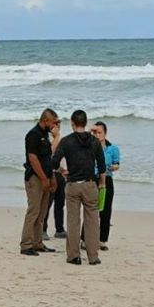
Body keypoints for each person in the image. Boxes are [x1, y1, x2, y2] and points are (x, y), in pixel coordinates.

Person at [52, 110, 106, 265]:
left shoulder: (67, 141)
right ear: (86, 123)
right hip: (90, 185)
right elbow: (102, 167)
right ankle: (93, 256)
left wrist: (62, 171)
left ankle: (74, 256)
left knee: (73, 221)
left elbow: (54, 162)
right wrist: (102, 184)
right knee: (92, 222)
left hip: (73, 184)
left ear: (72, 124)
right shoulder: (94, 141)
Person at [20, 109, 59, 256]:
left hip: (46, 177)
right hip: (35, 178)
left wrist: (52, 177)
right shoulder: (33, 135)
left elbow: (48, 159)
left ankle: (37, 243)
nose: (54, 125)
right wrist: (43, 178)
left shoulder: (45, 135)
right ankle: (26, 244)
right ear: (46, 120)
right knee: (34, 211)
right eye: (53, 122)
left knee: (42, 212)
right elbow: (33, 158)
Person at [90, 121, 120, 251]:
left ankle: (102, 240)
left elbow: (117, 164)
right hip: (93, 178)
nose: (97, 135)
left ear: (105, 133)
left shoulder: (112, 148)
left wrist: (113, 167)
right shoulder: (88, 147)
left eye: (99, 132)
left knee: (105, 210)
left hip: (107, 179)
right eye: (95, 132)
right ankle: (85, 239)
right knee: (91, 210)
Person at [43, 119, 67, 240]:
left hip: (61, 174)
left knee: (60, 202)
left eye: (59, 126)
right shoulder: (46, 139)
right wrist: (56, 136)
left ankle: (60, 229)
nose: (57, 128)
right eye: (55, 126)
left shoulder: (62, 139)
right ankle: (43, 229)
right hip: (50, 174)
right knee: (48, 203)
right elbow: (50, 152)